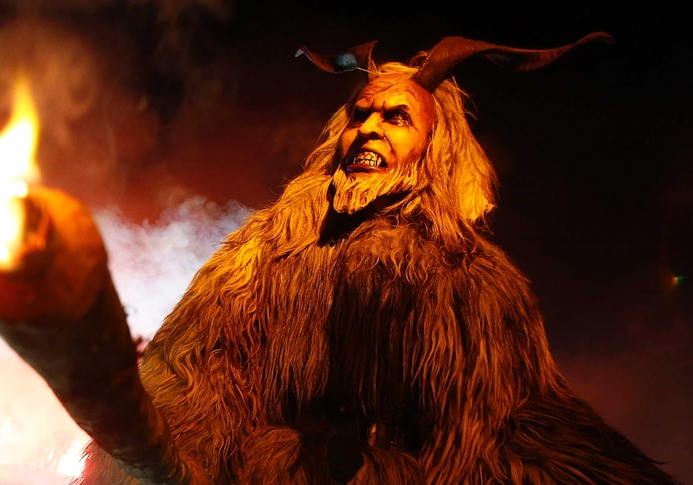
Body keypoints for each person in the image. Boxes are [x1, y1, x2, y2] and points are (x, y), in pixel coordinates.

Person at [75, 33, 680, 484]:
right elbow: (193, 373)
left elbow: (513, 428)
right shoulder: (264, 252)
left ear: (433, 145)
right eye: (360, 115)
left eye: (396, 118)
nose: (369, 131)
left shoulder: (471, 280)